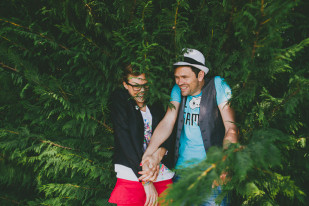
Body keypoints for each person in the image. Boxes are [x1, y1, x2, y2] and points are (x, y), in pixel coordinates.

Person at [139, 49, 238, 205]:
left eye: (184, 77)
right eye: (177, 77)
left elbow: (231, 128)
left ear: (200, 75)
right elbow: (167, 121)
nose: (179, 82)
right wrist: (149, 153)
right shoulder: (178, 90)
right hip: (182, 175)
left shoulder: (217, 85)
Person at [108, 64, 174, 206]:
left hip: (160, 171)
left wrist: (159, 154)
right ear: (125, 85)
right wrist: (145, 180)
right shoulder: (120, 100)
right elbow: (124, 140)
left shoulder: (155, 101)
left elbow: (169, 131)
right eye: (136, 86)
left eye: (145, 85)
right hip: (132, 174)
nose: (142, 91)